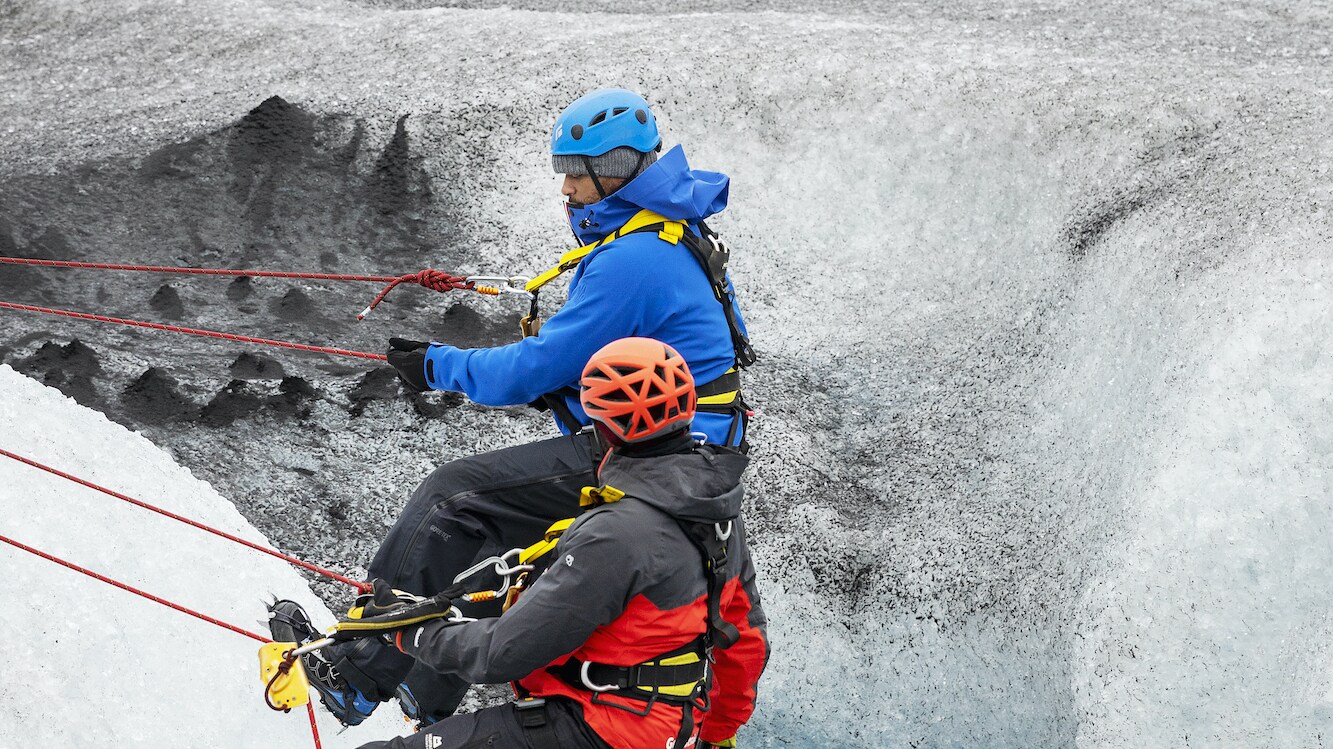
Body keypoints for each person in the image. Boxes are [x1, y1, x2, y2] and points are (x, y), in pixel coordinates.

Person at [301, 87, 757, 726]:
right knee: (506, 538)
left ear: (616, 170)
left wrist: (439, 365)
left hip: (659, 454)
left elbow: (534, 368)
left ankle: (357, 669)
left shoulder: (635, 257)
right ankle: (421, 697)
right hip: (688, 447)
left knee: (452, 498)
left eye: (575, 173)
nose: (565, 188)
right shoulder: (667, 231)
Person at [270, 338, 768, 749]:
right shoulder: (713, 509)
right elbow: (746, 642)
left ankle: (362, 679)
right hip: (665, 728)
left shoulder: (616, 533)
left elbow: (502, 655)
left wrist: (406, 633)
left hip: (592, 729)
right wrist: (714, 735)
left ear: (601, 427)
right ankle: (418, 694)